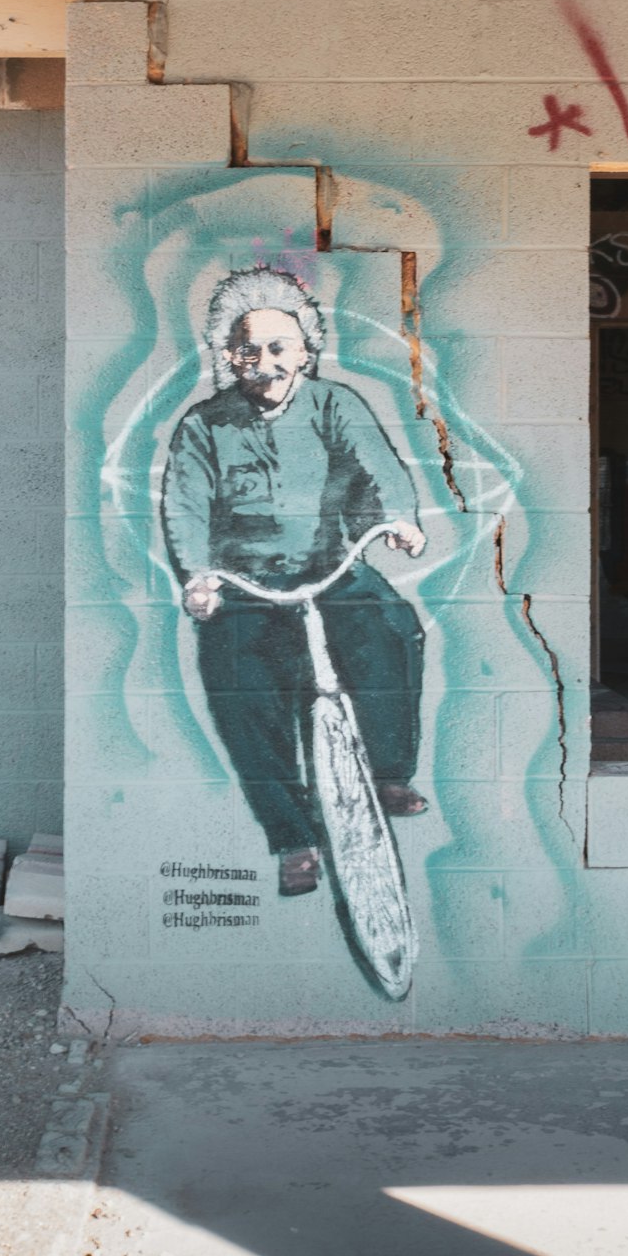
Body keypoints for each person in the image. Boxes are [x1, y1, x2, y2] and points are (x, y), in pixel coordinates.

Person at [161, 266, 428, 896]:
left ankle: (390, 772)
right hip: (242, 589)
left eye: (279, 348)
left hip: (329, 569)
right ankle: (294, 840)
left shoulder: (335, 404)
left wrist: (397, 519)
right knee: (242, 696)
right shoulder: (205, 423)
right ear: (230, 357)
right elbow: (185, 504)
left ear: (305, 352)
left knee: (395, 629)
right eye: (249, 350)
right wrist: (198, 577)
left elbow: (376, 469)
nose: (265, 362)